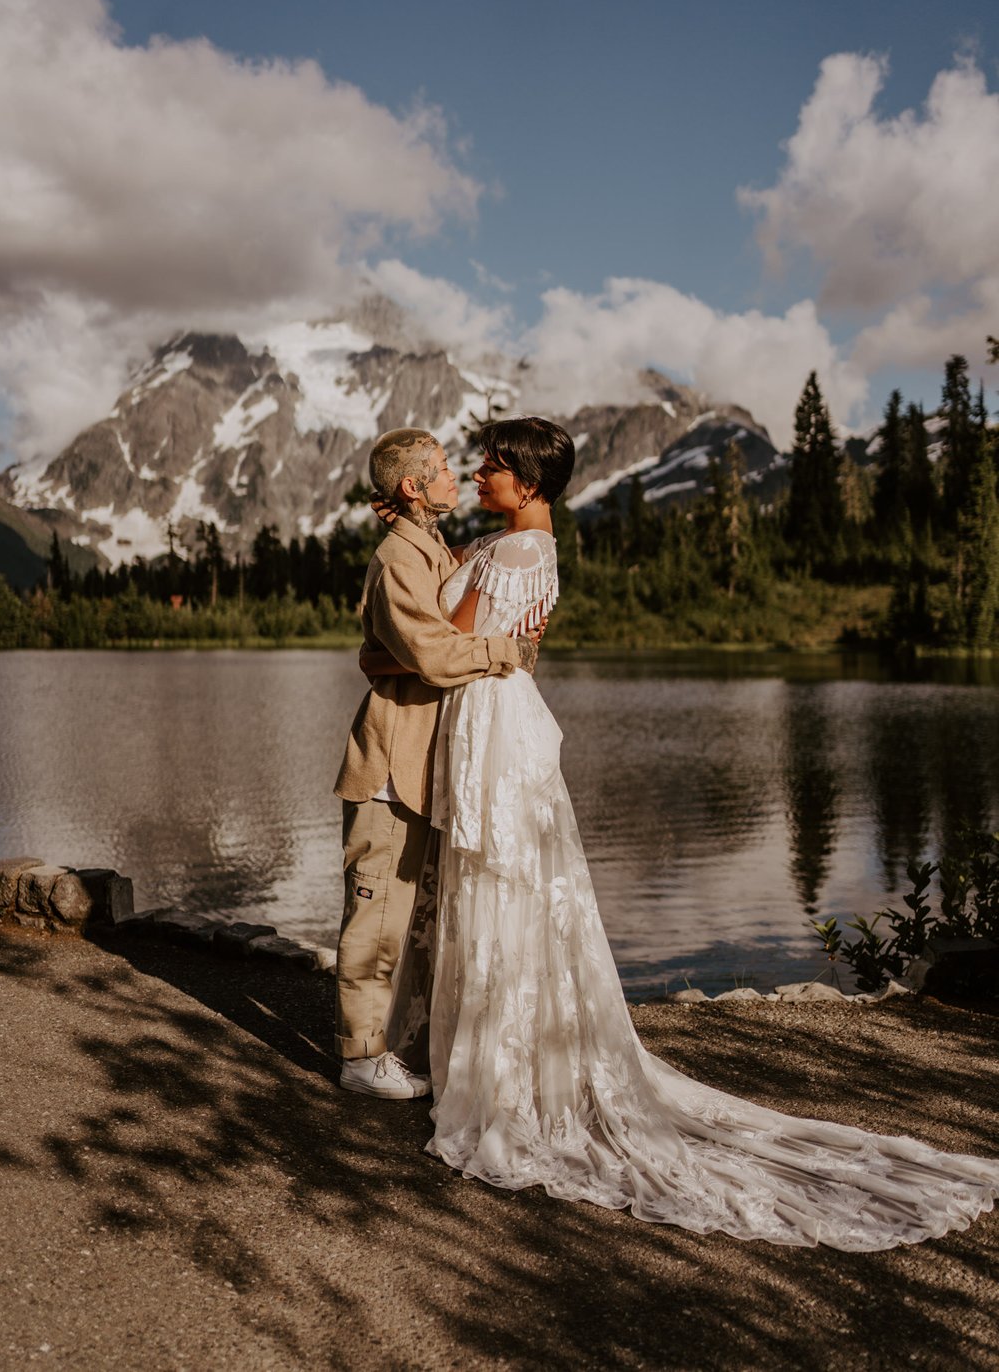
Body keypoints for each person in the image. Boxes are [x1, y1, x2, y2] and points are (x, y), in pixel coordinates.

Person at [365, 415, 999, 1251]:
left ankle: (500, 1072)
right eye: (476, 466)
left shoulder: (520, 551)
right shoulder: (517, 543)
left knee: (499, 876)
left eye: (491, 467)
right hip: (492, 711)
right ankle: (492, 1055)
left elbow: (449, 641)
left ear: (528, 481)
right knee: (506, 880)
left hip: (489, 716)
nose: (480, 475)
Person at [333, 427, 539, 1099]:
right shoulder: (400, 556)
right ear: (413, 487)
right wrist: (504, 651)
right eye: (444, 469)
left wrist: (383, 654)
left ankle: (386, 1047)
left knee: (402, 915)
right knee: (375, 914)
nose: (457, 477)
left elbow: (417, 643)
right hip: (389, 766)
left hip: (419, 764)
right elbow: (432, 651)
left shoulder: (430, 551)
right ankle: (361, 1059)